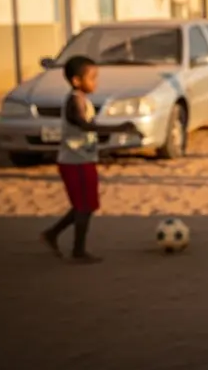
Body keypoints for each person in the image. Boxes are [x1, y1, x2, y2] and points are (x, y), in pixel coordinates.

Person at [40, 55, 139, 264]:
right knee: (84, 206)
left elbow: (88, 134)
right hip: (73, 162)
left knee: (86, 205)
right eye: (92, 78)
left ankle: (52, 234)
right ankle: (78, 251)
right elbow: (85, 127)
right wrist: (119, 128)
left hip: (83, 159)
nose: (96, 82)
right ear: (76, 81)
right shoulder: (73, 101)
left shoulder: (83, 101)